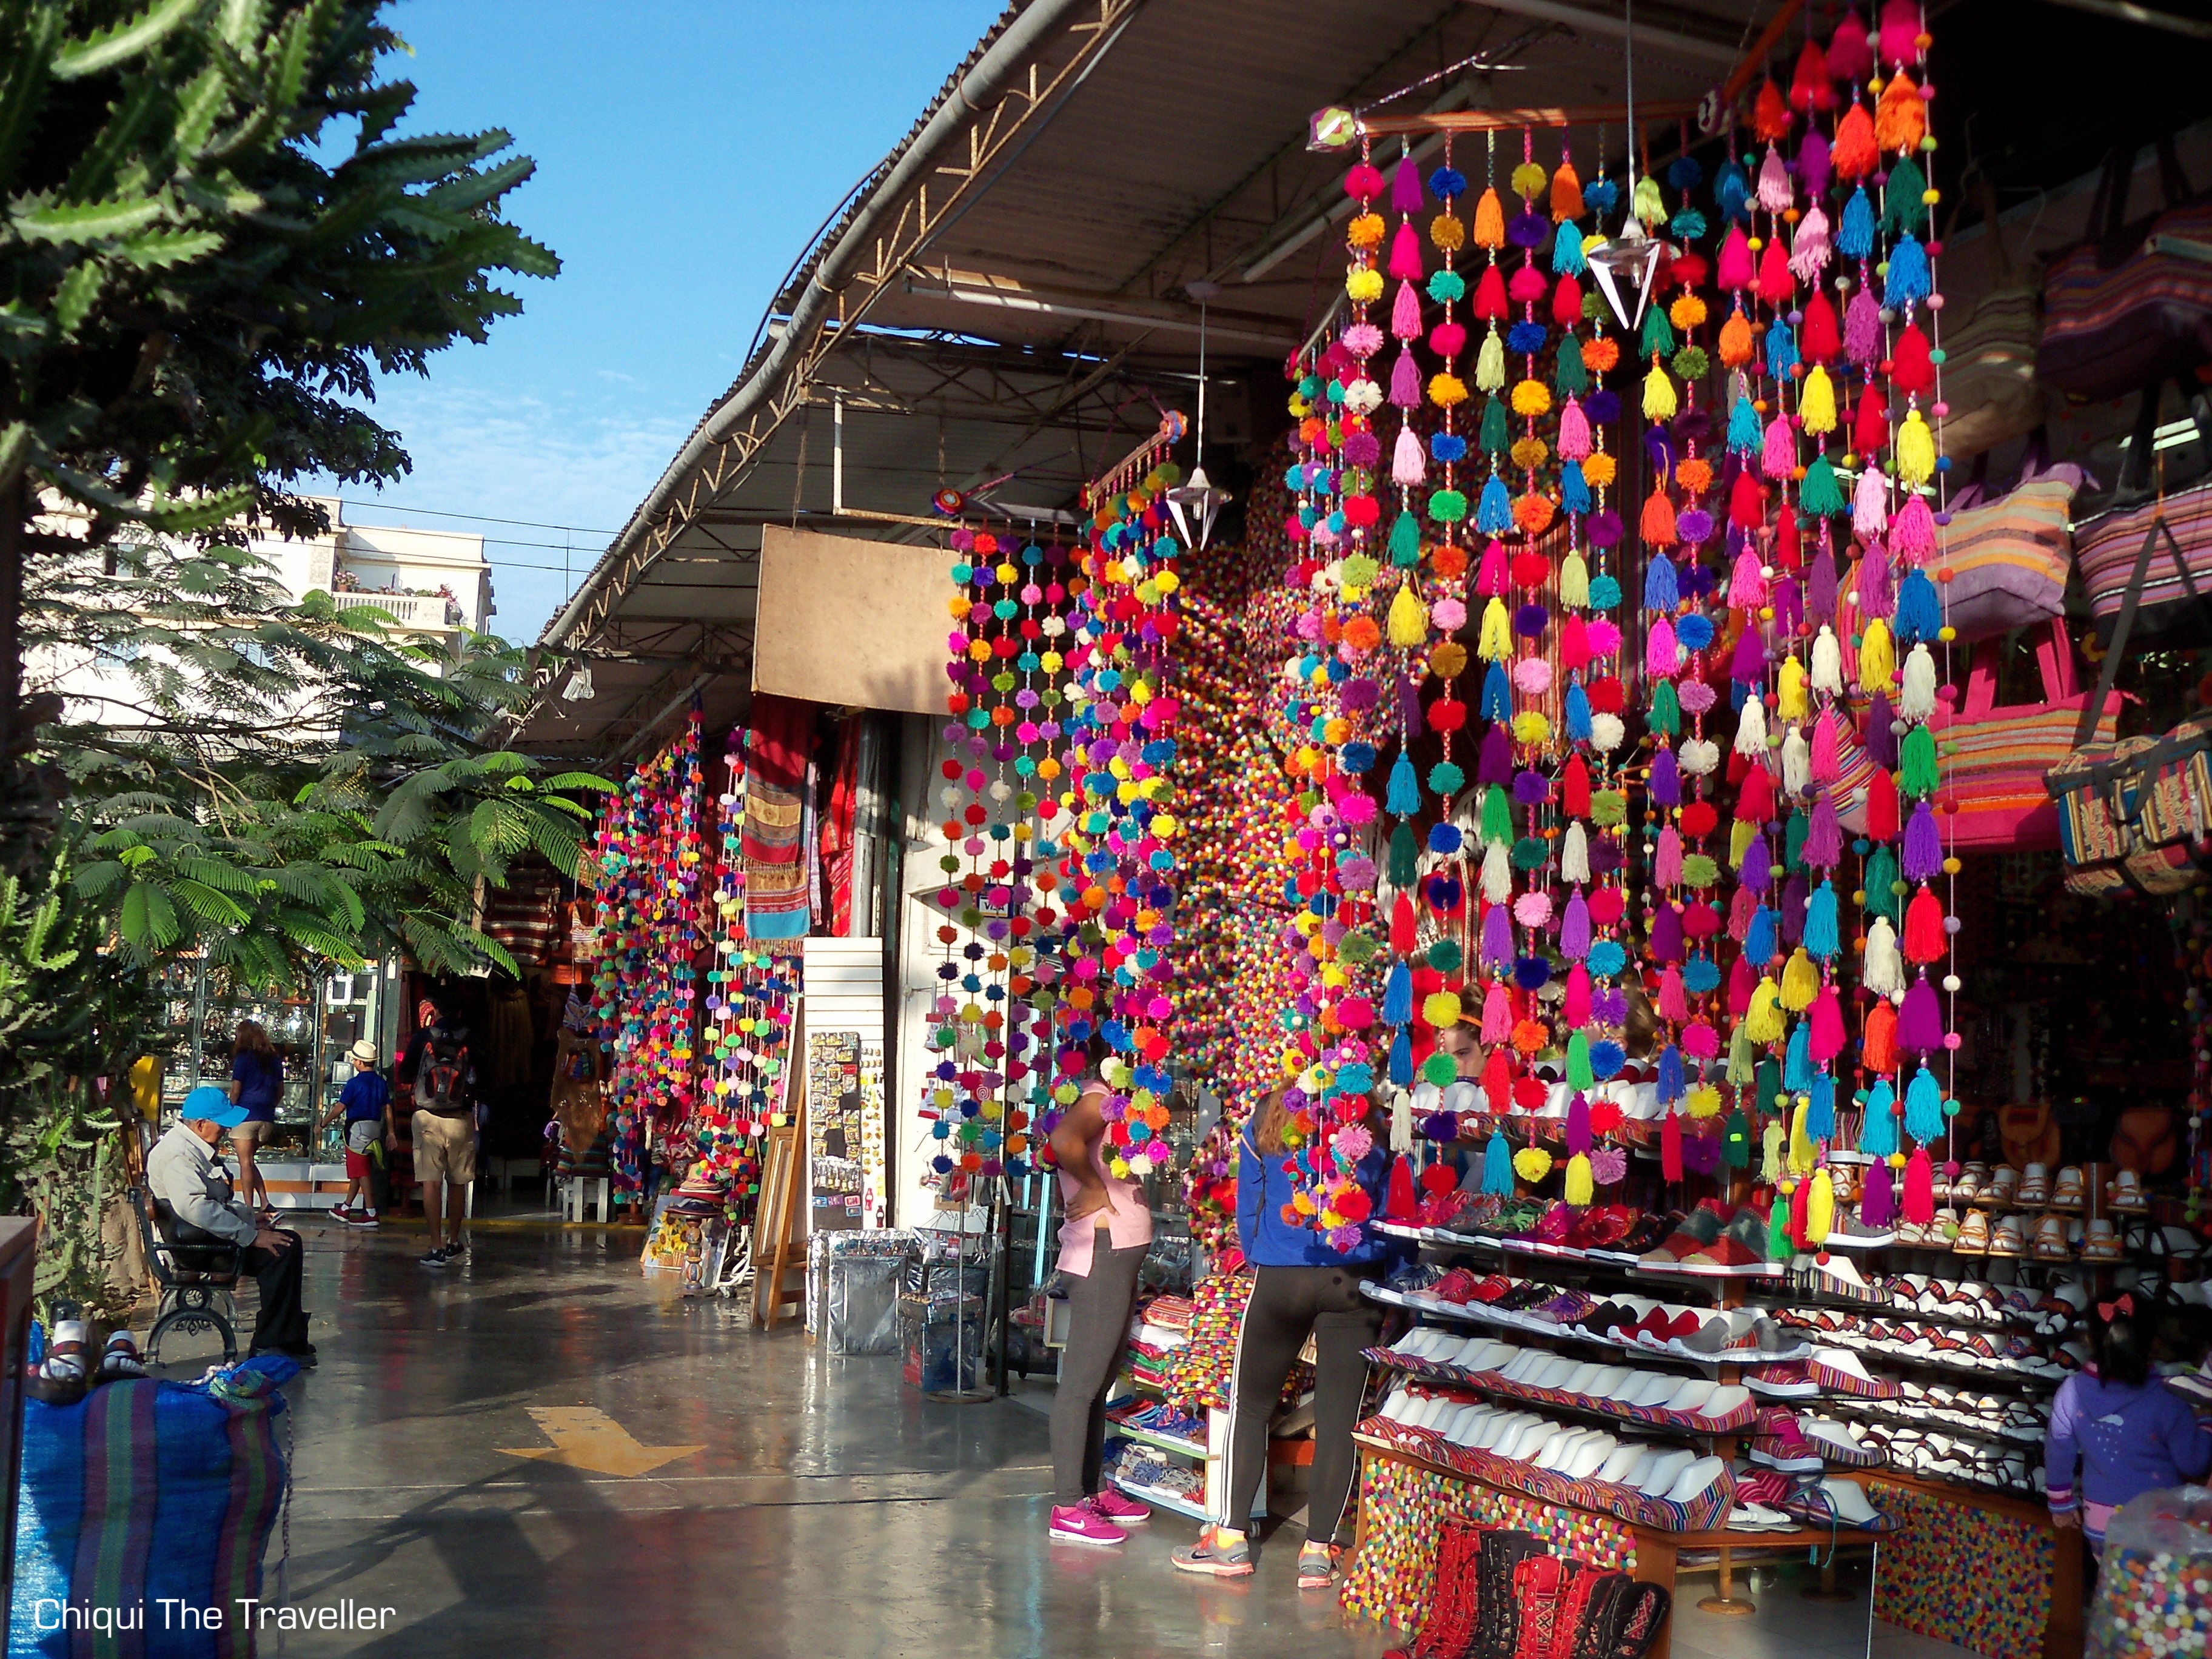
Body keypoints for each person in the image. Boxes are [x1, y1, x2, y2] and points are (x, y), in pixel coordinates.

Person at [1173, 1085, 1401, 1587]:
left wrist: (1261, 1256)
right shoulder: (1372, 1119)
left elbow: (1248, 1197)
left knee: (1250, 1407)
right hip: (1353, 1278)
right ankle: (1318, 1553)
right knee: (1339, 1419)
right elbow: (1392, 1206)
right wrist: (1391, 1274)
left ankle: (1231, 1540)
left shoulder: (1269, 1115)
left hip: (1281, 1275)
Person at [1042, 1063, 1156, 1547]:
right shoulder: (1096, 1096)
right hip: (1100, 1255)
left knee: (1099, 1383)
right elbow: (1064, 1142)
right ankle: (1068, 1505)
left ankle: (1089, 1492)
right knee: (1081, 1387)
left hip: (1118, 1258)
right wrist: (1092, 1189)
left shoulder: (1115, 1100)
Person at [146, 1084, 315, 1366]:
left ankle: (285, 1338)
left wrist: (249, 1218)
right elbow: (196, 1208)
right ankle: (270, 1343)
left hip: (203, 1237)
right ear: (201, 1125)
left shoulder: (189, 1146)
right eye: (221, 1125)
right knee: (281, 1251)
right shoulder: (180, 1156)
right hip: (200, 1247)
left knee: (287, 1243)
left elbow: (212, 1203)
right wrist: (250, 1236)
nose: (226, 1131)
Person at [2047, 1292, 2212, 1552]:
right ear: (2154, 1342)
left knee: (2111, 1589)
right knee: (2154, 1592)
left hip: (2101, 1526)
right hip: (2159, 1528)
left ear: (2090, 1339)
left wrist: (2062, 1504)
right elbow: (2194, 1462)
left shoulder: (2072, 1390)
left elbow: (2059, 1450)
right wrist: (2205, 1419)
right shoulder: (2168, 1397)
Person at [412, 1016, 478, 1267]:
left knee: (431, 1181)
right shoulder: (470, 1038)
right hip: (459, 1119)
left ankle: (435, 1246)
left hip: (427, 1118)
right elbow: (485, 1076)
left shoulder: (423, 1037)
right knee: (458, 1182)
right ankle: (453, 1241)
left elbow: (407, 1071)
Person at [320, 1039, 389, 1227]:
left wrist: (323, 1123)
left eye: (355, 1060)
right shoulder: (381, 1082)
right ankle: (346, 1207)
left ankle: (371, 1211)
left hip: (357, 1128)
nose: (353, 1063)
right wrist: (391, 1132)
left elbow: (339, 1108)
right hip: (376, 1126)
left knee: (361, 1171)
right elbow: (388, 1108)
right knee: (360, 1170)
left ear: (360, 1062)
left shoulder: (354, 1083)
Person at [226, 1020, 283, 1209]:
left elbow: (236, 1091)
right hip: (266, 1118)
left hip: (245, 1115)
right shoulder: (274, 1059)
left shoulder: (243, 1058)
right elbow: (281, 1091)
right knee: (250, 1160)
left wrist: (228, 1114)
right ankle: (265, 1202)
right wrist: (269, 1107)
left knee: (245, 1162)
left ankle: (249, 1208)